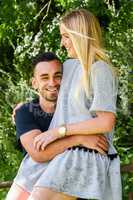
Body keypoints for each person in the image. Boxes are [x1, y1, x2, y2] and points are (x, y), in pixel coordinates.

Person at [6, 52, 108, 200]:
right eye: (45, 77)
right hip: (29, 182)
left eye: (58, 76)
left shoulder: (77, 111)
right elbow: (39, 153)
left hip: (65, 186)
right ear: (34, 82)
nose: (52, 82)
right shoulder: (25, 112)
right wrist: (79, 138)